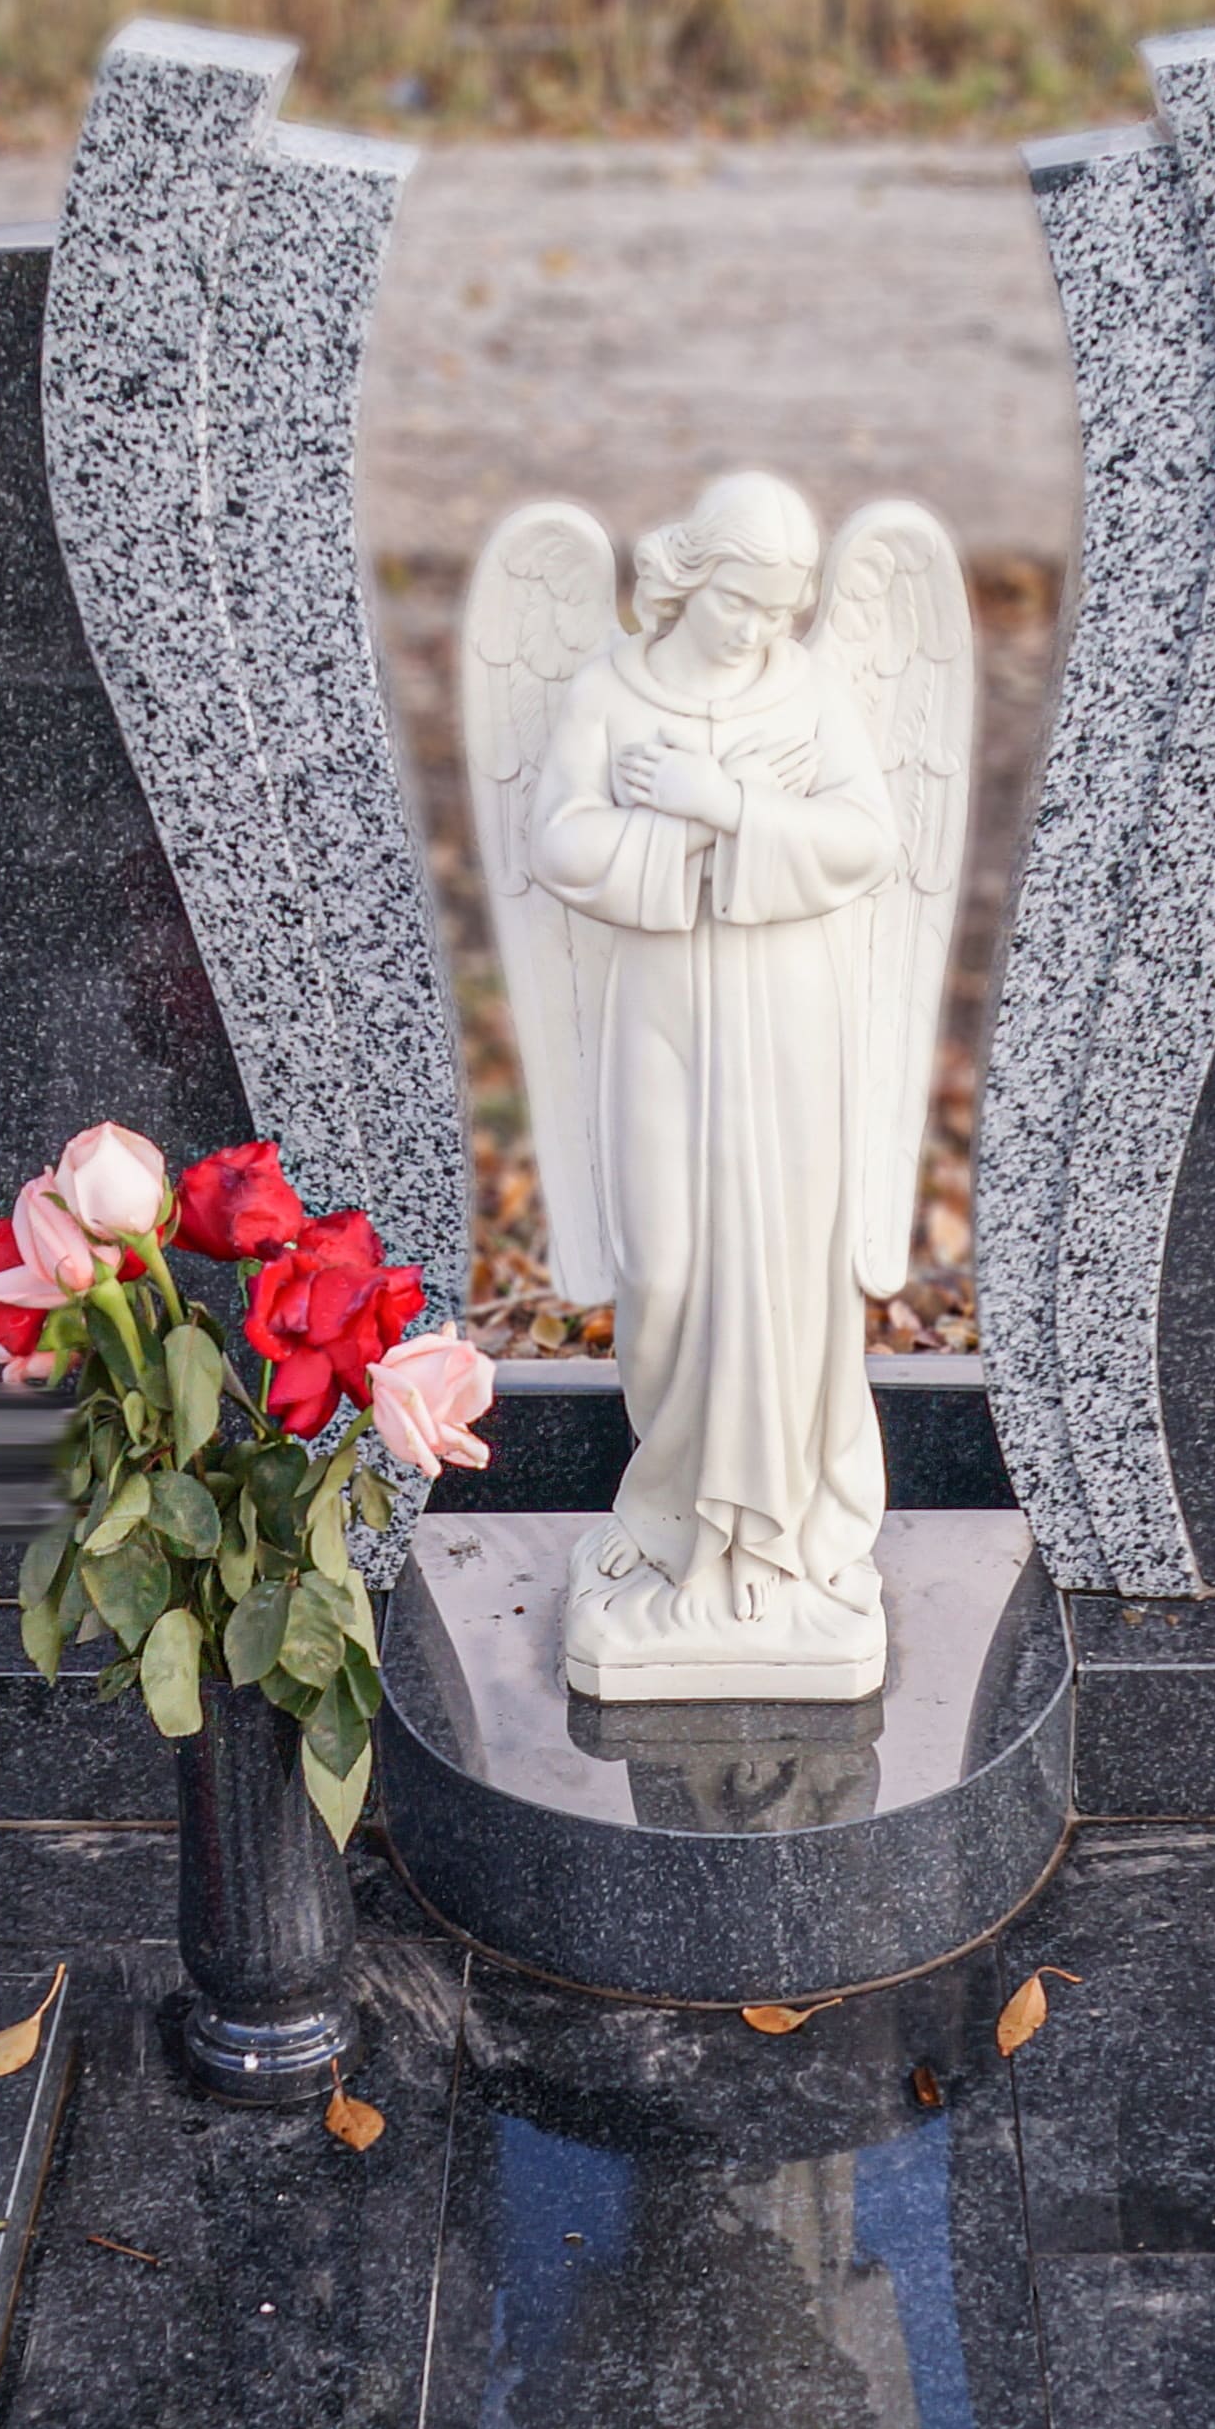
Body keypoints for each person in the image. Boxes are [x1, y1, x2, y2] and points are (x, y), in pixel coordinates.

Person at [524, 475, 902, 1697]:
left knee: (778, 1269)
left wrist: (722, 801)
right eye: (740, 600)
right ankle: (672, 1511)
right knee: (667, 1268)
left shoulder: (809, 688)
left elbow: (867, 839)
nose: (757, 629)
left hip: (786, 1013)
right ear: (691, 575)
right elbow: (559, 841)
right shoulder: (608, 690)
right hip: (660, 1013)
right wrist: (692, 831)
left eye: (780, 609)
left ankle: (765, 1544)